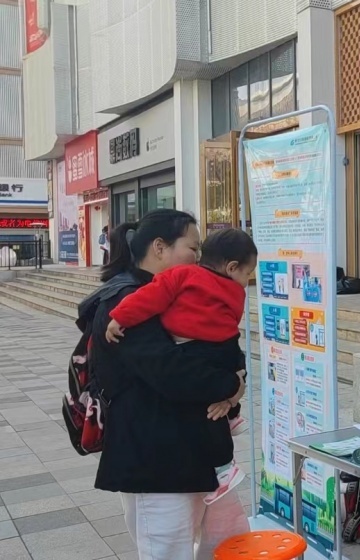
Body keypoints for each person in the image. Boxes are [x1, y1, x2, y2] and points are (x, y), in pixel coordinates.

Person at [84, 210, 249, 559]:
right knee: (168, 552)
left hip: (196, 453)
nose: (200, 257)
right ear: (160, 247)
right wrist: (231, 384)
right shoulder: (126, 301)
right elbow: (174, 374)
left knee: (227, 545)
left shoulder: (185, 292)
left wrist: (236, 383)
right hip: (157, 463)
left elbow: (224, 346)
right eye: (193, 247)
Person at [104, 227, 258, 504]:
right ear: (232, 267)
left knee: (208, 413)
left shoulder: (181, 275)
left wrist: (119, 318)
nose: (246, 282)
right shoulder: (234, 291)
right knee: (217, 406)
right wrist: (233, 388)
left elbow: (148, 298)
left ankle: (225, 468)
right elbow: (230, 330)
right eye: (247, 274)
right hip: (224, 349)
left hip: (192, 349)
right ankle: (232, 417)